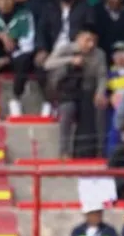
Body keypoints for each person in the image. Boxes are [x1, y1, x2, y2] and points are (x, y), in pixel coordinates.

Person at [44, 24, 109, 158]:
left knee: (100, 108)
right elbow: (48, 64)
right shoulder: (66, 49)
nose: (90, 44)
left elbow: (102, 76)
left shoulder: (99, 54)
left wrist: (100, 92)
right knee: (68, 110)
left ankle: (100, 150)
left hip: (89, 91)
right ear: (78, 39)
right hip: (68, 92)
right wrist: (71, 60)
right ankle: (64, 151)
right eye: (87, 40)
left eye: (93, 41)